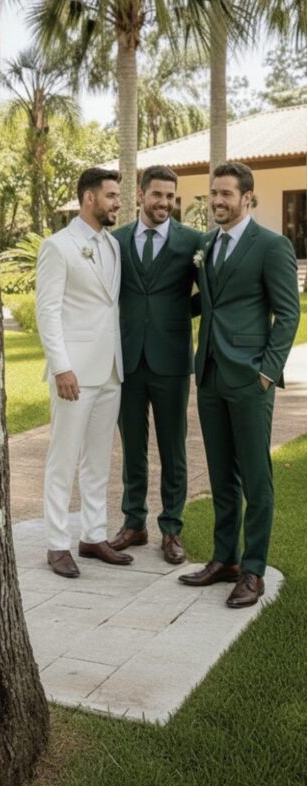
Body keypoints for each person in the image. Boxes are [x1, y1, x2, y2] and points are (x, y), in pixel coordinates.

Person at [179, 162, 300, 607]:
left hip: (250, 378)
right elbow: (204, 302)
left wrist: (267, 370)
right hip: (209, 374)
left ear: (247, 197)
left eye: (226, 194)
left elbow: (289, 313)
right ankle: (224, 558)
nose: (217, 202)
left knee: (255, 477)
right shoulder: (207, 243)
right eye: (214, 194)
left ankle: (253, 570)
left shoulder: (272, 245)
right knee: (220, 474)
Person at [36, 167, 132, 579]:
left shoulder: (111, 245)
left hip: (111, 369)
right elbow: (48, 311)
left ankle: (93, 536)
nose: (116, 203)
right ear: (88, 198)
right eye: (111, 196)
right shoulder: (58, 246)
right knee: (63, 460)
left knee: (98, 461)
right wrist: (62, 367)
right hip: (73, 373)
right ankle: (57, 544)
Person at [108, 165, 200, 565]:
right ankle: (134, 522)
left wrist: (180, 312)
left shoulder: (194, 242)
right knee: (132, 447)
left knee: (172, 447)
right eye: (157, 195)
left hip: (172, 360)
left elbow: (212, 294)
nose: (164, 202)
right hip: (127, 361)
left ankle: (172, 528)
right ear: (141, 195)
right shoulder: (115, 242)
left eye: (170, 196)